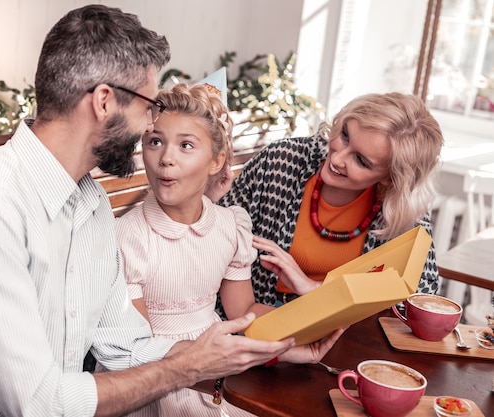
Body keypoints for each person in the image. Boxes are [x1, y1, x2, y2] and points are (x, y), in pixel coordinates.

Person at [0, 6, 296, 417]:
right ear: (103, 102)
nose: (148, 125)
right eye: (148, 107)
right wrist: (184, 368)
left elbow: (126, 344)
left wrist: (242, 350)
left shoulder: (91, 203)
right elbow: (40, 404)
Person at [115, 83, 343, 416]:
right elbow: (141, 347)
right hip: (153, 380)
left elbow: (244, 311)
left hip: (218, 372)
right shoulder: (126, 236)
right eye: (155, 142)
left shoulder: (229, 226)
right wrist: (230, 355)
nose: (166, 158)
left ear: (216, 160)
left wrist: (296, 339)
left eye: (186, 145)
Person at [213, 92, 443, 308]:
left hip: (345, 333)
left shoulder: (402, 207)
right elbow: (213, 237)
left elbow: (422, 294)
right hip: (255, 312)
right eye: (345, 135)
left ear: (390, 179)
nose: (337, 157)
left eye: (361, 161)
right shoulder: (282, 160)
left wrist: (316, 289)